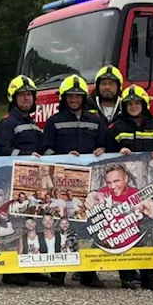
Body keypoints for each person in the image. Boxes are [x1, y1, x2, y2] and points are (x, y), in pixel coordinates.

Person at [40, 74, 106, 286]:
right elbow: (45, 149)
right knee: (61, 224)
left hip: (91, 183)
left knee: (89, 224)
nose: (74, 100)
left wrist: (102, 150)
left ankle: (88, 273)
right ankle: (58, 272)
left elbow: (106, 146)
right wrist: (62, 157)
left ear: (83, 97)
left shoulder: (96, 121)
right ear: (64, 98)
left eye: (78, 96)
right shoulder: (54, 121)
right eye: (70, 96)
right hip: (63, 181)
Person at [105, 84, 153, 291]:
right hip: (123, 193)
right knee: (125, 231)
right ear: (124, 106)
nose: (133, 106)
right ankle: (127, 276)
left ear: (144, 104)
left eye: (137, 103)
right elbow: (105, 158)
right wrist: (118, 153)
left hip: (150, 191)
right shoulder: (115, 128)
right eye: (129, 103)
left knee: (149, 231)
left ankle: (149, 277)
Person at [0, 75, 45, 286]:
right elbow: (3, 150)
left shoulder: (32, 123)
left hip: (31, 180)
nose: (26, 99)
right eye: (21, 95)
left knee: (32, 224)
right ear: (13, 98)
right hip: (15, 181)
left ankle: (30, 266)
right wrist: (26, 156)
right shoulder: (8, 123)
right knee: (17, 225)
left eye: (29, 95)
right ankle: (12, 271)